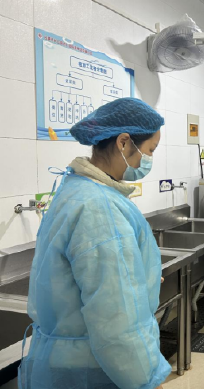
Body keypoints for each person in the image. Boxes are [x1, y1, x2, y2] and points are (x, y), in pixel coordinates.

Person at [19, 98, 170, 389]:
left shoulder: (76, 190)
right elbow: (116, 319)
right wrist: (146, 381)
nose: (148, 160)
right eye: (150, 150)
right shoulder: (101, 208)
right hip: (97, 368)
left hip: (69, 362)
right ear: (124, 142)